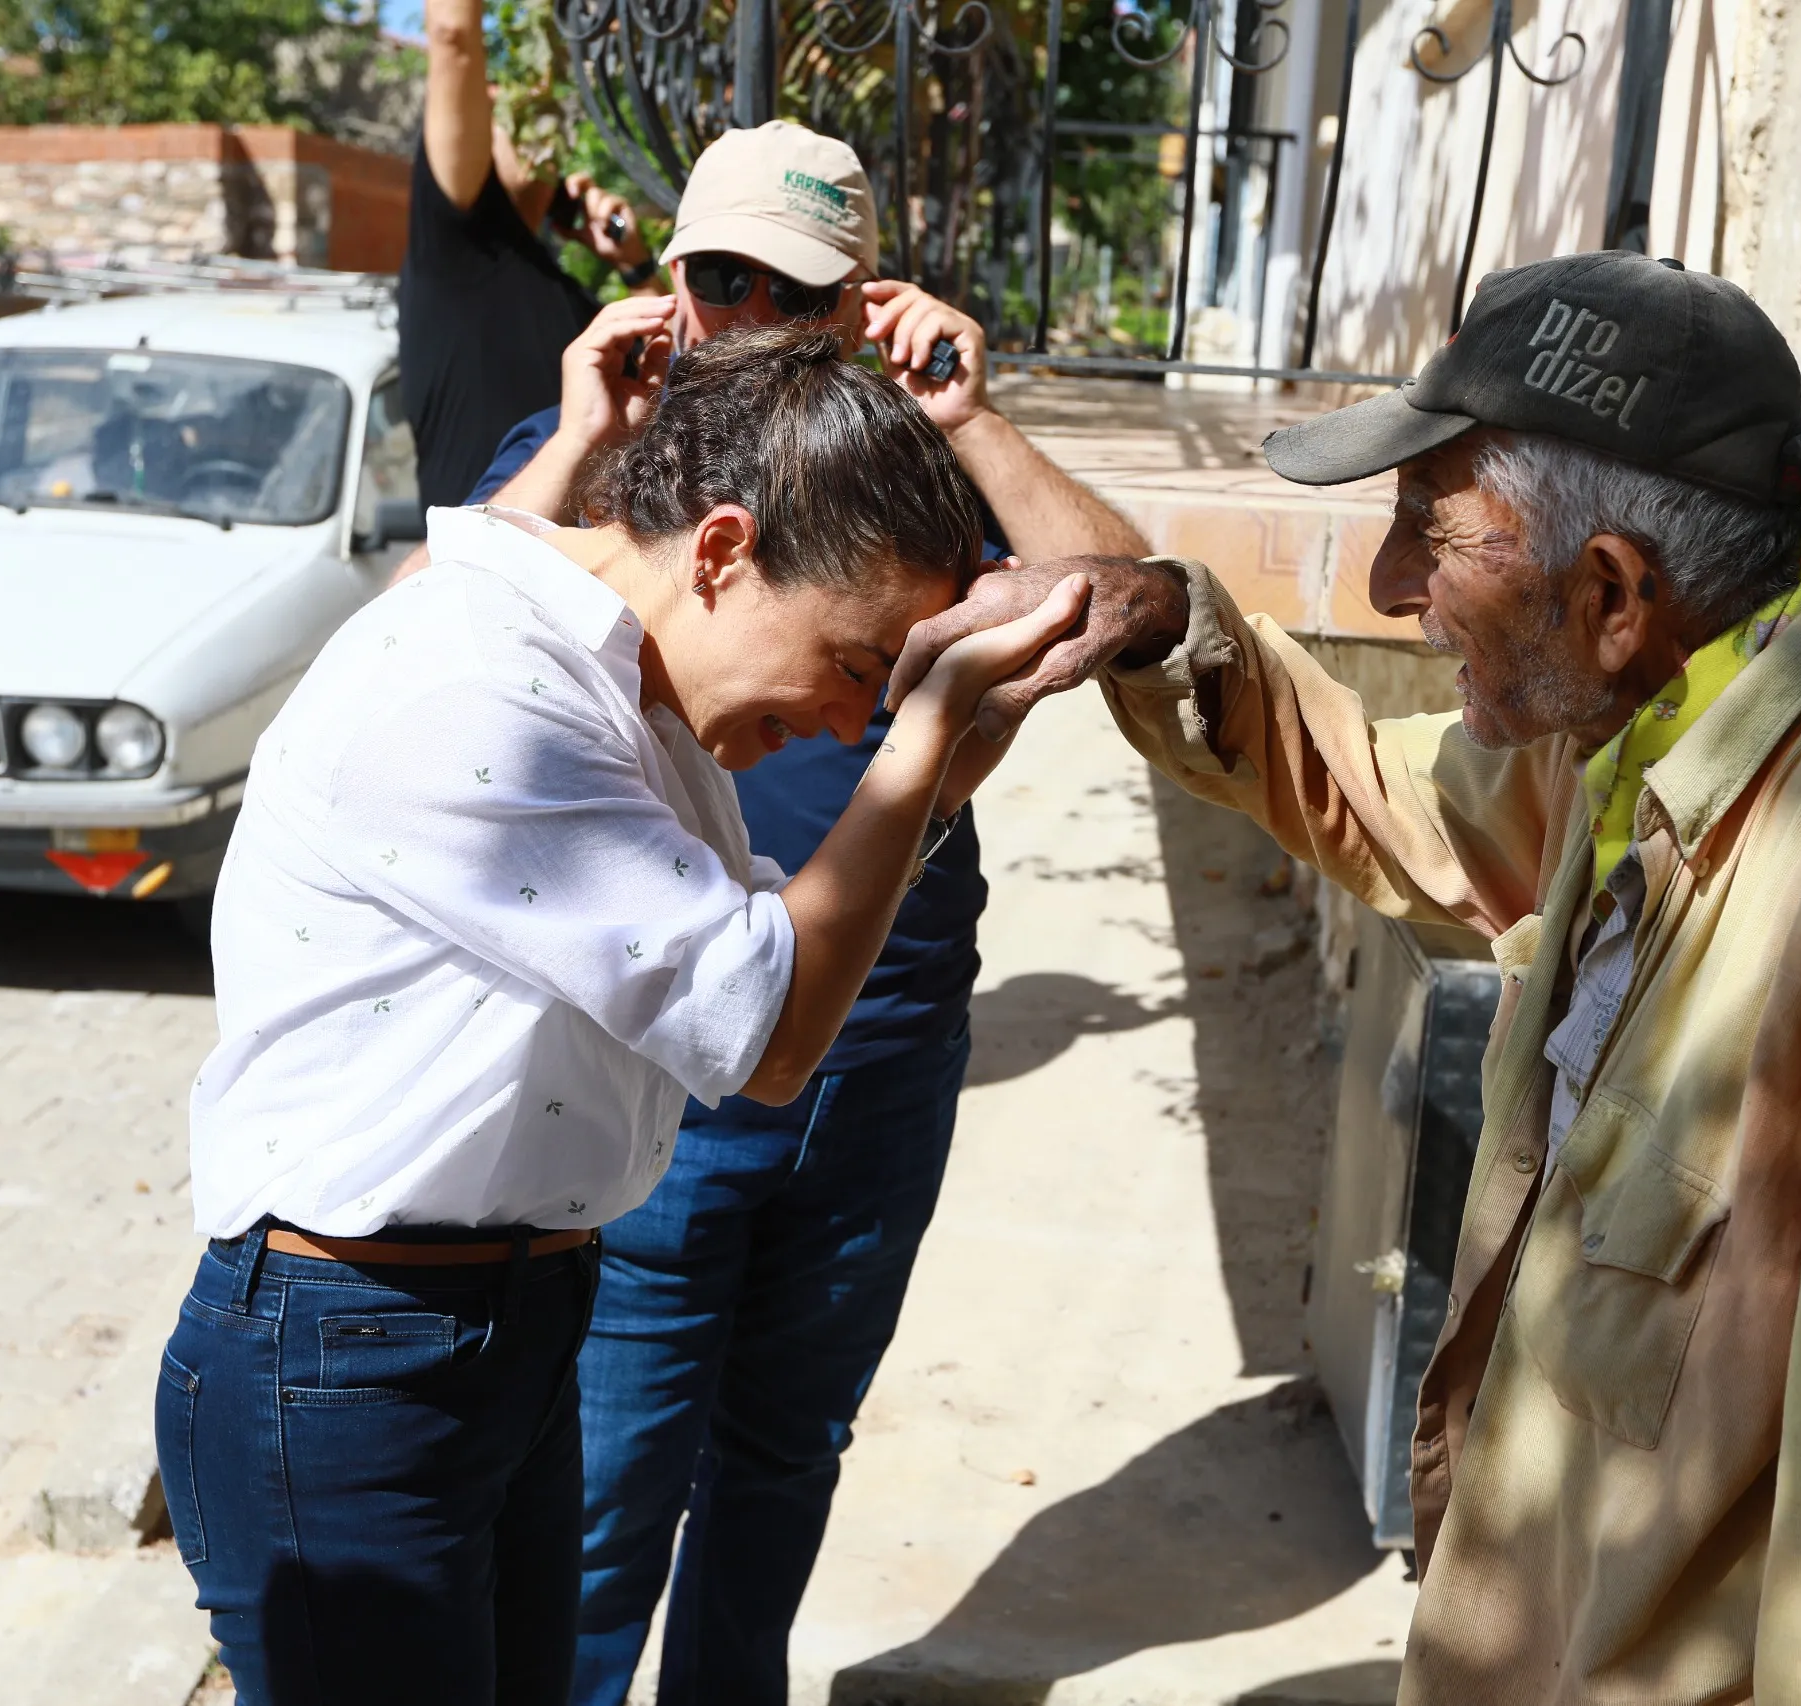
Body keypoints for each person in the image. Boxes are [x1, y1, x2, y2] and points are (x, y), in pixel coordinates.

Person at [896, 251, 1801, 1701]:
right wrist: (1170, 623)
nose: (1389, 589)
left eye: (1433, 535)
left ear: (1613, 589)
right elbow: (1391, 795)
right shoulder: (1659, 714)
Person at [156, 324, 1086, 1706]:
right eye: (854, 662)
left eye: (879, 688)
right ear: (721, 548)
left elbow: (769, 945)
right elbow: (770, 1036)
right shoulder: (490, 694)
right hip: (351, 1357)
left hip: (489, 1326)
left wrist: (936, 761)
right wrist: (923, 742)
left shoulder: (622, 690)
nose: (849, 720)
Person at [437, 120, 1153, 1706]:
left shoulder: (909, 479)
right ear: (671, 282)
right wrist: (571, 431)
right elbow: (436, 647)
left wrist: (976, 420)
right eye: (722, 274)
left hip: (882, 1047)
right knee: (612, 1478)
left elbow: (1120, 596)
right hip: (673, 1060)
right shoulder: (597, 462)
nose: (751, 309)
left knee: (788, 1448)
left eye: (797, 286)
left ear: (859, 304)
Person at [398, 0, 656, 511]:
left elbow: (664, 377)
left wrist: (636, 266)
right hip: (470, 575)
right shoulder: (457, 245)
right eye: (497, 104)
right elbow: (453, 34)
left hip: (576, 578)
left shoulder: (571, 297)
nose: (523, 108)